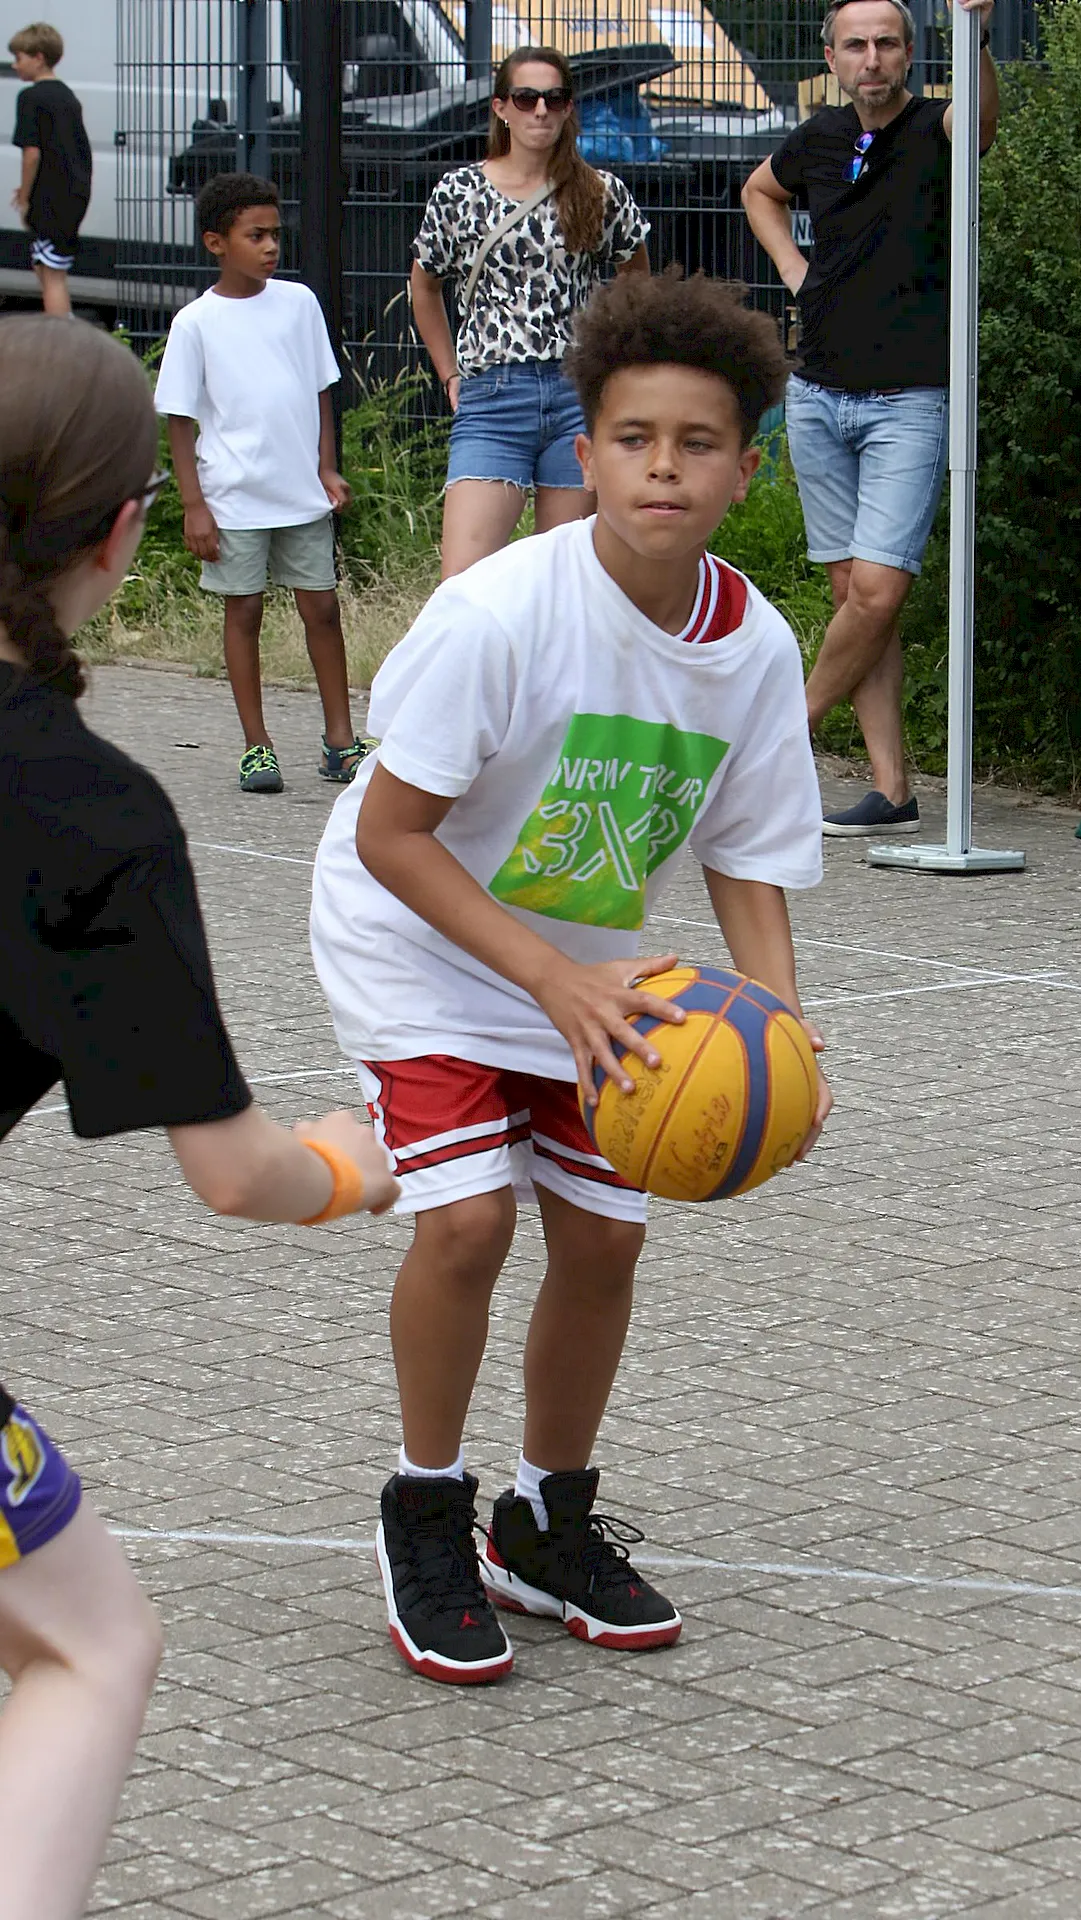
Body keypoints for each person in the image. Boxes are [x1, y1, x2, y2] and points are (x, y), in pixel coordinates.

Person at [310, 268, 832, 1686]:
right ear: (585, 452)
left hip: (587, 966)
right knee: (469, 1221)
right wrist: (547, 980)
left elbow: (746, 856)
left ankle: (543, 1519)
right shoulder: (501, 614)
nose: (663, 467)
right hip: (417, 937)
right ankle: (428, 1508)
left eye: (698, 443)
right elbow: (391, 835)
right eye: (633, 438)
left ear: (745, 467)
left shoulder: (755, 647)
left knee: (605, 1240)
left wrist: (782, 1031)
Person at [0, 313, 399, 1920]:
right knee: (90, 1646)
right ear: (122, 534)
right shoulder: (85, 811)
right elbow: (236, 1174)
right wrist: (358, 1166)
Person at [742, 0, 998, 838]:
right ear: (832, 58)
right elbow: (758, 191)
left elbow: (982, 122)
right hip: (819, 394)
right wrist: (795, 269)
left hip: (910, 398)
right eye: (856, 45)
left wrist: (978, 36)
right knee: (857, 595)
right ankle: (891, 790)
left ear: (911, 53)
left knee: (880, 590)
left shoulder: (936, 127)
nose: (872, 58)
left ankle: (780, 735)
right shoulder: (817, 137)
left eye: (887, 43)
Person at [153, 172, 371, 796]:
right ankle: (258, 747)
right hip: (233, 499)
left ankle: (340, 742)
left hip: (299, 493)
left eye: (276, 234)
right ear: (216, 242)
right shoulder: (195, 323)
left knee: (321, 609)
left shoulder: (299, 304)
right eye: (256, 236)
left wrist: (326, 467)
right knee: (244, 610)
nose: (272, 246)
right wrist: (194, 505)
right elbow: (179, 419)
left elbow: (321, 391)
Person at [409, 44, 650, 580]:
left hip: (575, 394)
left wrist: (615, 362)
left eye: (554, 99)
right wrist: (449, 372)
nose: (541, 110)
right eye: (526, 98)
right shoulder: (460, 192)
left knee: (563, 580)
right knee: (463, 582)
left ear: (568, 109)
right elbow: (423, 286)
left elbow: (637, 280)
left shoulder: (598, 191)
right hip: (493, 395)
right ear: (501, 108)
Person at [7, 20, 90, 318]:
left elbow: (32, 154)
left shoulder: (30, 98)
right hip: (72, 196)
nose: (14, 65)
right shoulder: (67, 97)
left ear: (38, 57)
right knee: (45, 266)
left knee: (52, 276)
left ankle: (60, 336)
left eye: (19, 58)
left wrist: (25, 196)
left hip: (50, 201)